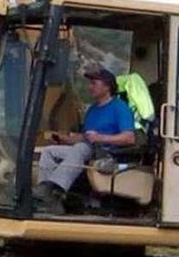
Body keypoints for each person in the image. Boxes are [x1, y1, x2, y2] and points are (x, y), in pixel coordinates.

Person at [34, 67, 136, 214]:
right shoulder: (92, 109)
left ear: (107, 86)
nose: (90, 87)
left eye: (94, 83)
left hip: (107, 153)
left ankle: (54, 188)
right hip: (87, 149)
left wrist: (100, 137)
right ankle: (48, 197)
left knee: (81, 148)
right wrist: (65, 139)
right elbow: (85, 136)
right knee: (50, 152)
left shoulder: (120, 108)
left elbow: (129, 138)